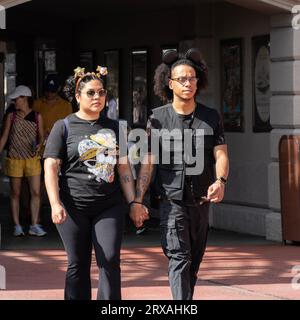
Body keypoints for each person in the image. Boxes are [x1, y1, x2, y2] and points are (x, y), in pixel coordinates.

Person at [130, 49, 229, 300]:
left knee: (193, 263)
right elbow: (149, 162)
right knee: (179, 257)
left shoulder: (211, 116)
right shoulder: (158, 118)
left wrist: (221, 181)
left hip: (201, 202)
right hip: (170, 202)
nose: (188, 83)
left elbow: (221, 155)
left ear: (199, 80)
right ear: (170, 83)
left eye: (192, 78)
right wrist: (138, 200)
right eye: (182, 79)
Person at [43, 66, 148, 300]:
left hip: (109, 206)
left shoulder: (114, 127)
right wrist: (54, 203)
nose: (97, 97)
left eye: (101, 93)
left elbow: (123, 168)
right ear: (77, 96)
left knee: (109, 259)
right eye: (90, 93)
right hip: (73, 206)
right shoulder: (64, 126)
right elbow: (50, 166)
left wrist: (133, 202)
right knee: (77, 263)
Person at [0, 85, 46, 237]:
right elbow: (5, 137)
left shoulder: (37, 116)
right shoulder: (11, 116)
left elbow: (41, 136)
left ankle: (34, 225)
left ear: (25, 98)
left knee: (36, 192)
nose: (14, 102)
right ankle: (17, 226)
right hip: (14, 158)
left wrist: (40, 144)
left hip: (32, 158)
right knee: (15, 193)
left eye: (16, 99)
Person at [33, 74, 72, 143]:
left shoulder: (66, 106)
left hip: (59, 145)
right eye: (47, 90)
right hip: (40, 146)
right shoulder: (36, 104)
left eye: (53, 91)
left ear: (58, 89)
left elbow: (69, 127)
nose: (49, 93)